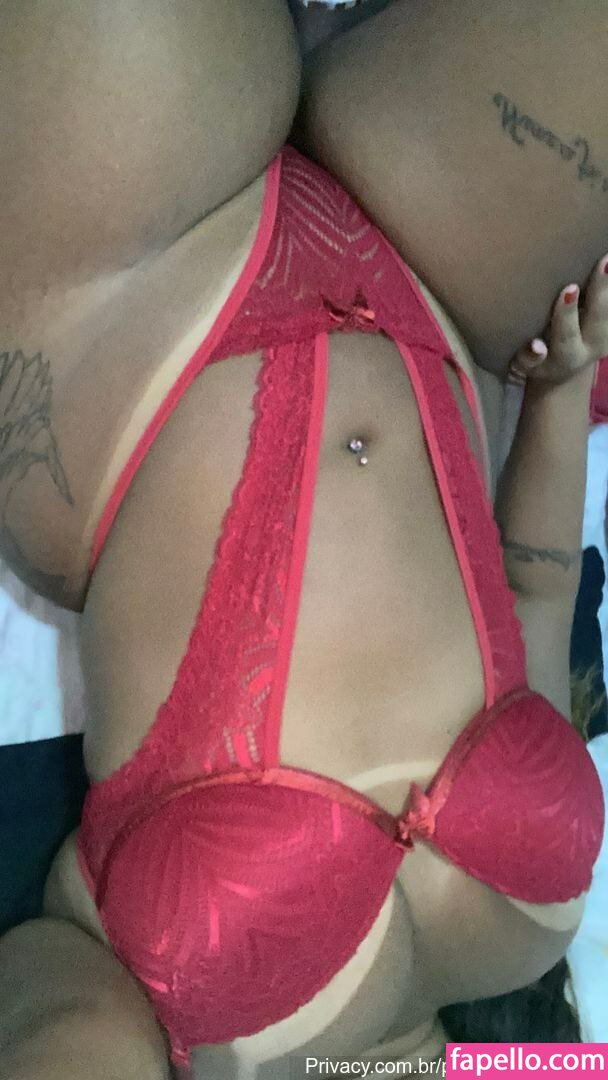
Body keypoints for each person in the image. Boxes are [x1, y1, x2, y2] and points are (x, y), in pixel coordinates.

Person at [0, 2, 605, 1077]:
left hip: (132, 345)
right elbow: (539, 596)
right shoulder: (536, 952)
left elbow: (49, 1033)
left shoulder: (201, 1051)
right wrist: (560, 397)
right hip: (432, 297)